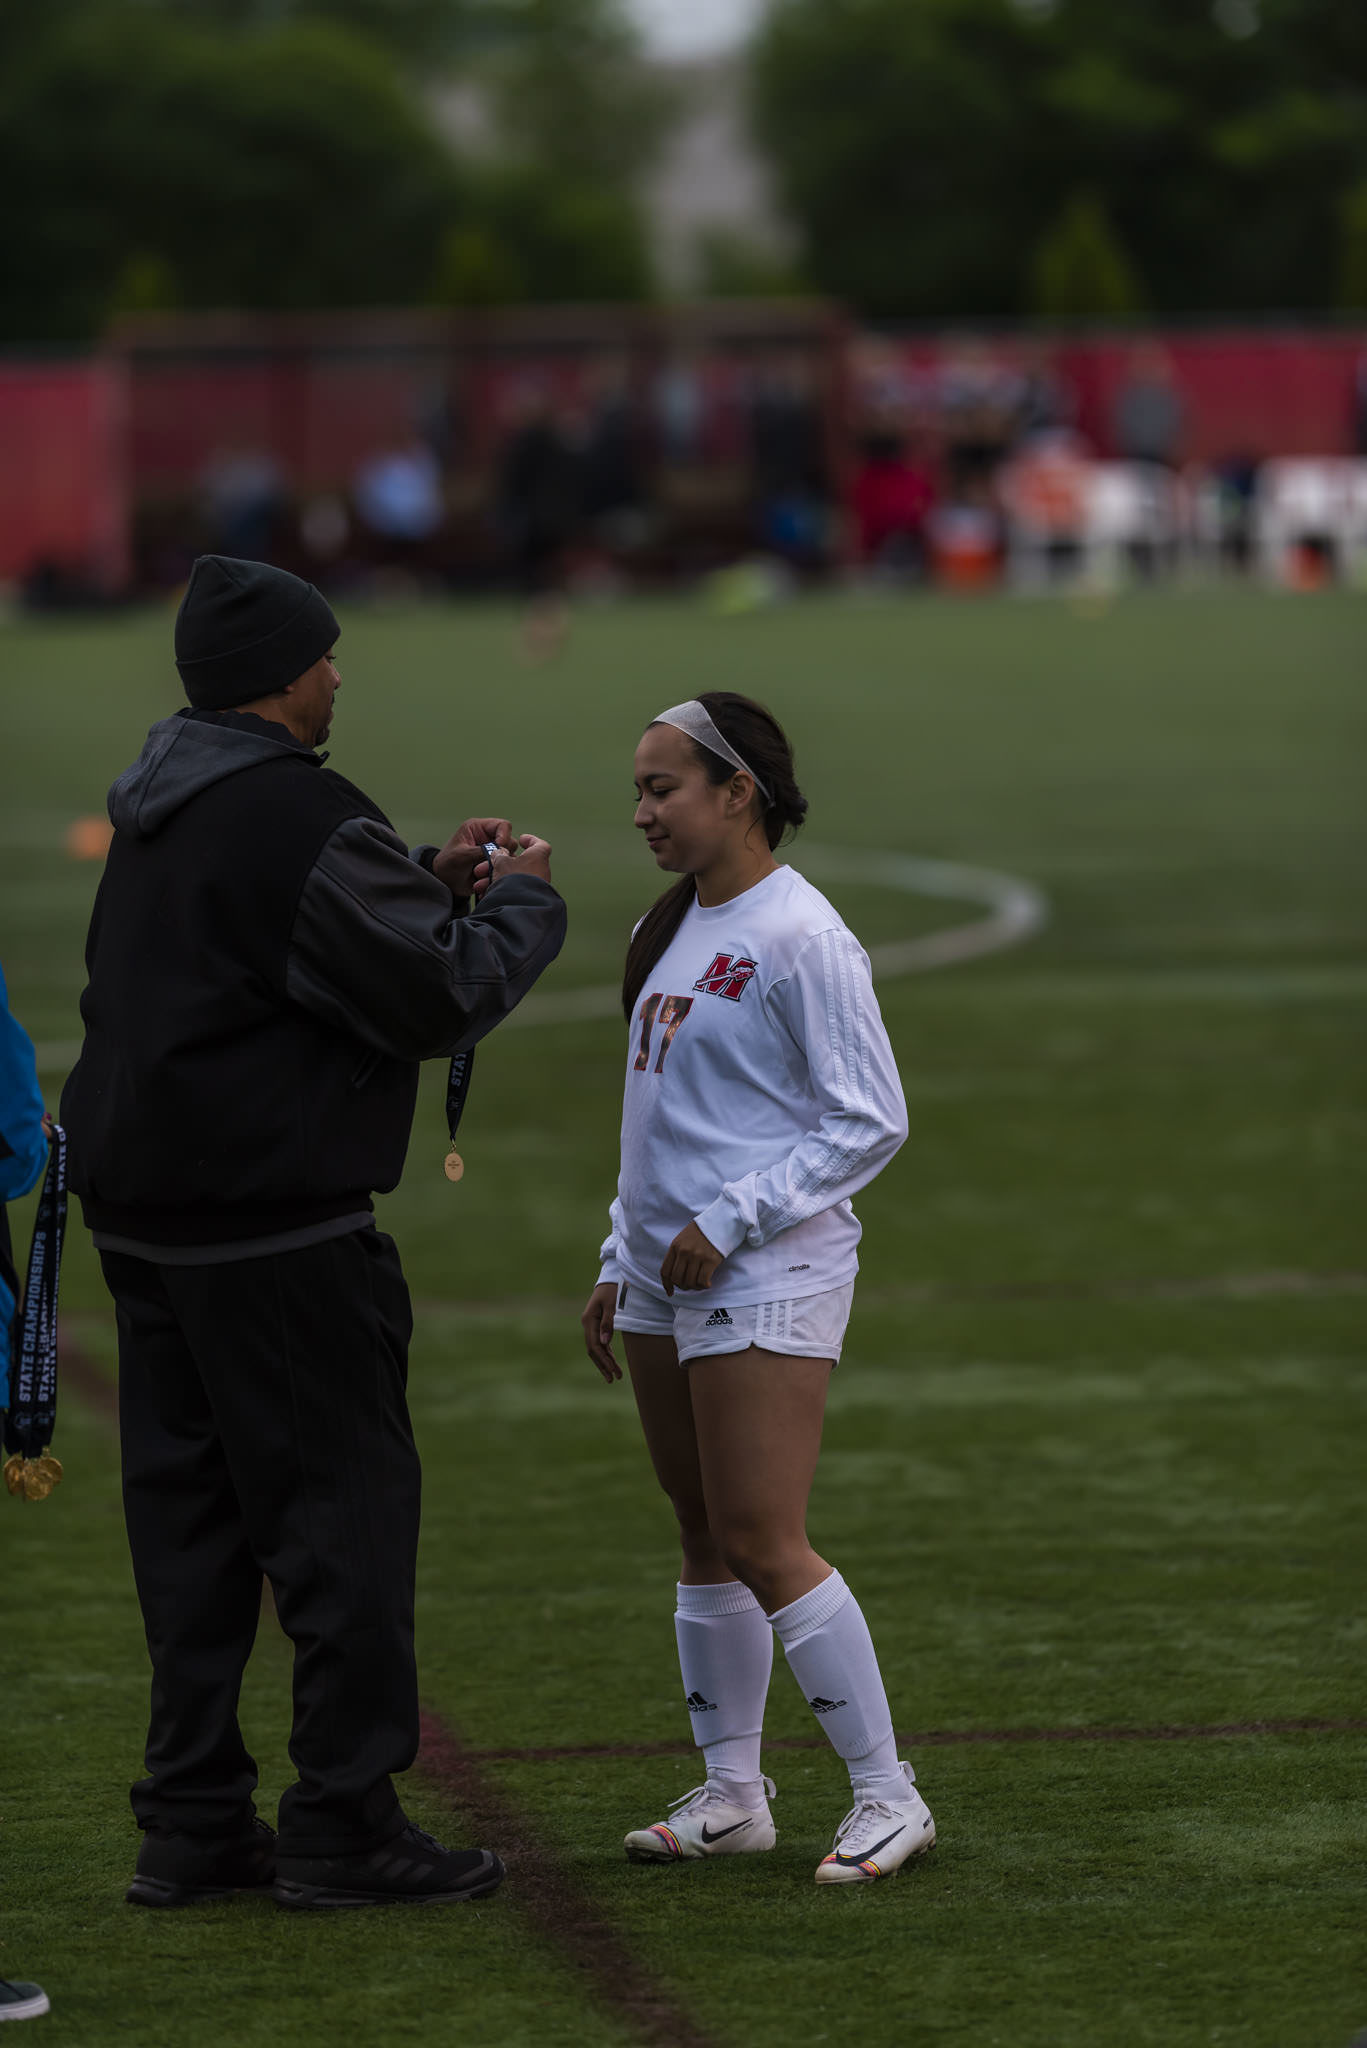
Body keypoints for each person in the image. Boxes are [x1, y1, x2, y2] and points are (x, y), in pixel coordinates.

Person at [60, 554, 567, 1911]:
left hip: (146, 1223)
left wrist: (414, 875)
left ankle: (192, 1826)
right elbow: (433, 995)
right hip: (271, 1227)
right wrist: (515, 900)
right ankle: (344, 1824)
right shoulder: (293, 810)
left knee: (195, 1537)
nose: (339, 671)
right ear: (280, 676)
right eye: (325, 653)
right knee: (338, 1524)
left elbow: (253, 951)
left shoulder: (161, 796)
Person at [580, 693, 934, 1887]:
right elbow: (656, 1119)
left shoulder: (800, 934)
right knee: (699, 1533)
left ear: (738, 791)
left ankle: (889, 1794)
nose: (642, 811)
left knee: (760, 1535)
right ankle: (735, 1793)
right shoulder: (663, 923)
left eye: (662, 787)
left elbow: (869, 1117)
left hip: (765, 1265)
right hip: (660, 1270)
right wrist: (613, 1254)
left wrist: (727, 1218)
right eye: (637, 790)